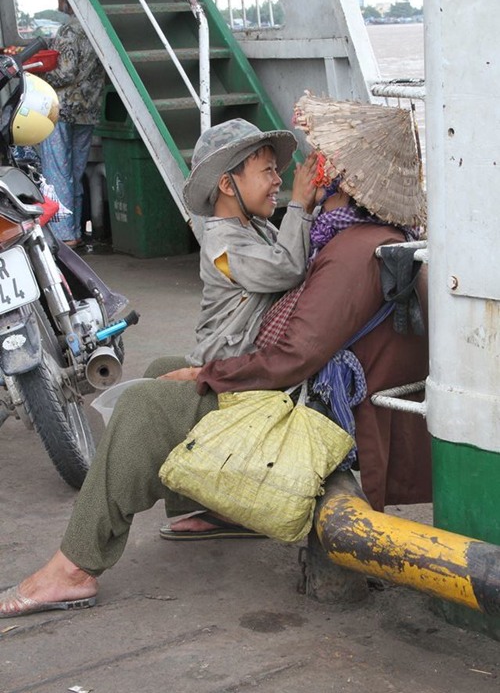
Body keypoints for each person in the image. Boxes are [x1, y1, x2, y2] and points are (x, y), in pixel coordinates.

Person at [0, 98, 431, 619]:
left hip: (281, 394)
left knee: (144, 408)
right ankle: (209, 504)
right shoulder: (246, 241)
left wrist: (210, 374)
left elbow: (292, 337)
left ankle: (73, 568)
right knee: (162, 372)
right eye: (268, 170)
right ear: (228, 185)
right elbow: (286, 283)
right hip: (267, 373)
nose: (288, 178)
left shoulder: (332, 243)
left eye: (312, 168)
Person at [183, 118, 318, 366]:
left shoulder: (257, 226)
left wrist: (314, 206)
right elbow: (287, 267)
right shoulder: (221, 249)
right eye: (268, 170)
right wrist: (299, 205)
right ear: (227, 185)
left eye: (276, 170)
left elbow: (300, 245)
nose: (278, 180)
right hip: (225, 360)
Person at [38, 0, 106, 247]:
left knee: (56, 173)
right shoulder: (97, 28)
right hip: (87, 112)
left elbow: (65, 72)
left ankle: (65, 235)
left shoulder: (69, 32)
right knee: (75, 173)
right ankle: (75, 229)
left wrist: (40, 73)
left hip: (60, 111)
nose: (57, 2)